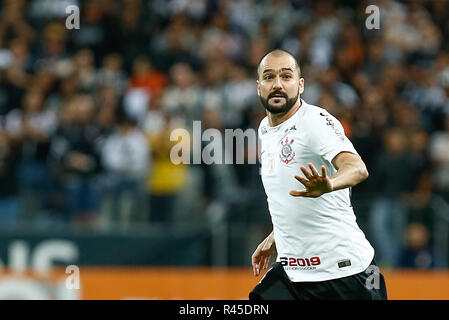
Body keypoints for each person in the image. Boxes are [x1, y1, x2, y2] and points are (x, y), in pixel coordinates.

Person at [250, 49, 387, 300]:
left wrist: (330, 184)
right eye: (269, 77)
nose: (277, 84)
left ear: (300, 85)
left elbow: (357, 168)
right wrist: (275, 236)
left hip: (345, 273)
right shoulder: (265, 128)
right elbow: (287, 196)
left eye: (286, 76)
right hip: (295, 273)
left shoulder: (315, 121)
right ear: (258, 86)